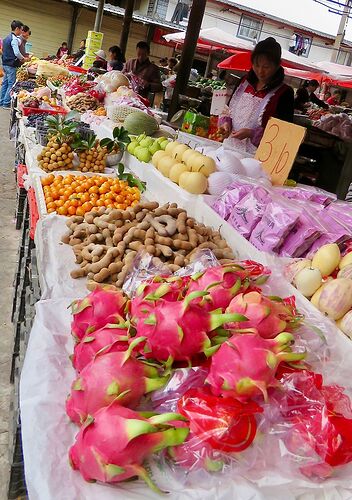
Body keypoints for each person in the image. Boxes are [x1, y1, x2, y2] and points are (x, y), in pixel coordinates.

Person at [221, 37, 294, 153]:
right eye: (256, 65)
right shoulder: (244, 82)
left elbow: (282, 133)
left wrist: (251, 133)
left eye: (266, 67)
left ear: (277, 66)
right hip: (229, 149)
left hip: (257, 157)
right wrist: (226, 123)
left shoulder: (284, 93)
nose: (260, 71)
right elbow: (228, 111)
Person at [0, 20, 29, 109]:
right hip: (11, 65)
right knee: (11, 84)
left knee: (5, 83)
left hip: (5, 63)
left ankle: (1, 101)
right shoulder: (14, 39)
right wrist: (23, 59)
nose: (21, 32)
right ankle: (6, 103)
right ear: (17, 29)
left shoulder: (6, 38)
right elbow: (16, 53)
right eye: (20, 29)